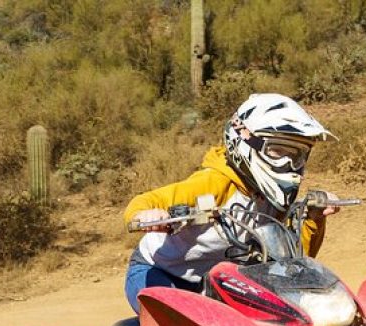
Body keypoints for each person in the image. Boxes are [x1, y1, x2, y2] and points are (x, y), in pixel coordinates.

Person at [123, 93, 338, 314]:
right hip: (159, 272)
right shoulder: (213, 183)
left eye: (297, 155)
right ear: (244, 140)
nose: (289, 164)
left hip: (219, 281)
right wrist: (146, 215)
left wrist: (314, 219)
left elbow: (295, 261)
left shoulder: (270, 198)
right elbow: (146, 200)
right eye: (278, 151)